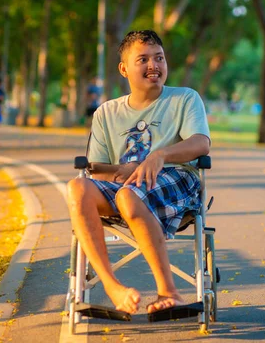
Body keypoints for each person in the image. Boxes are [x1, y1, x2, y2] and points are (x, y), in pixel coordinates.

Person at [67, 30, 210, 316]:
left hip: (175, 179)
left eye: (159, 58)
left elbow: (201, 143)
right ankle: (112, 287)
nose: (153, 65)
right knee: (77, 188)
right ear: (124, 69)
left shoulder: (184, 99)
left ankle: (170, 292)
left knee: (130, 197)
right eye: (142, 59)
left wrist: (160, 155)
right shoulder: (106, 113)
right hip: (125, 186)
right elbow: (97, 168)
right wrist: (122, 169)